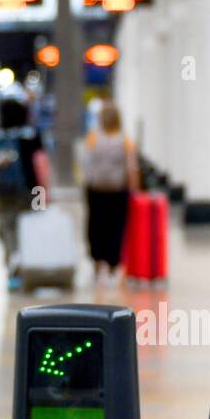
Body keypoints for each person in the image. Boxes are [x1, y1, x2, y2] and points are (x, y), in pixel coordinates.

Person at [0, 97, 50, 290]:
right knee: (30, 228)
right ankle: (28, 268)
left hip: (1, 193)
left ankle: (12, 272)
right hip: (31, 191)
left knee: (7, 230)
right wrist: (45, 194)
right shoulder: (31, 135)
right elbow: (41, 165)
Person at [82, 101, 139, 284]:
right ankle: (114, 265)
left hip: (95, 190)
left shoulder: (92, 138)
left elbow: (85, 163)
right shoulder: (125, 141)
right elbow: (131, 168)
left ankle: (98, 264)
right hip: (117, 191)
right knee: (116, 227)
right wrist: (134, 189)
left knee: (96, 226)